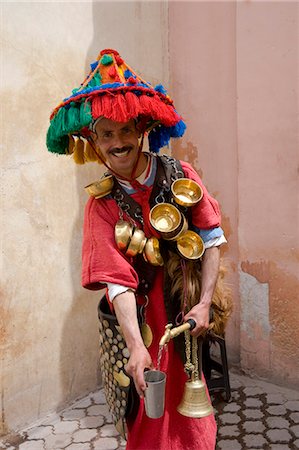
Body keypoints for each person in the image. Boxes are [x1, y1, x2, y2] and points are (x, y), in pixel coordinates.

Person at [47, 49, 230, 450]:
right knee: (145, 405)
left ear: (141, 130)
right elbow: (116, 281)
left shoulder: (180, 175)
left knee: (194, 396)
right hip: (141, 320)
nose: (118, 143)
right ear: (93, 143)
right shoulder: (102, 205)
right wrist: (134, 344)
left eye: (125, 131)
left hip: (186, 306)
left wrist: (205, 303)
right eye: (106, 134)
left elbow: (213, 237)